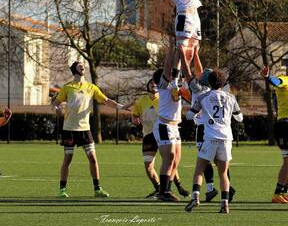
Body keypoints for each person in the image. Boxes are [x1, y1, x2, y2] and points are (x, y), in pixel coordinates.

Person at [53, 61, 124, 198]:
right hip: (69, 128)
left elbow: (106, 100)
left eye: (84, 66)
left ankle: (97, 189)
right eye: (80, 65)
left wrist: (121, 107)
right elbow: (56, 103)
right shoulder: (67, 87)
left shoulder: (91, 87)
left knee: (93, 158)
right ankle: (62, 190)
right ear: (74, 69)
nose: (83, 67)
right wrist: (56, 108)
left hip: (85, 129)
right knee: (68, 159)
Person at [182, 46, 236, 203]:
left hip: (204, 128)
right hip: (223, 131)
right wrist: (196, 53)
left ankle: (210, 188)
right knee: (221, 163)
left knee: (204, 160)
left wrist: (183, 54)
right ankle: (225, 188)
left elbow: (188, 73)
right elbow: (200, 72)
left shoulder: (198, 89)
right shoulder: (214, 90)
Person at [185, 69, 243, 213]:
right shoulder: (231, 97)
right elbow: (239, 118)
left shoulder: (202, 97)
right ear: (223, 83)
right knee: (223, 173)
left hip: (209, 137)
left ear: (208, 82)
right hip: (226, 139)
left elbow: (189, 116)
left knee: (199, 169)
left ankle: (195, 197)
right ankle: (224, 204)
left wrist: (200, 113)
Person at [151, 0, 202, 101]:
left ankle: (185, 82)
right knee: (180, 48)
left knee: (193, 50)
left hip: (195, 16)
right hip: (184, 15)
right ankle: (179, 81)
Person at [131, 78, 189, 199]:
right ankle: (159, 189)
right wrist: (135, 120)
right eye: (151, 83)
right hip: (149, 135)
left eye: (155, 82)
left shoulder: (164, 99)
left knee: (169, 160)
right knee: (148, 166)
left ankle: (176, 187)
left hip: (163, 133)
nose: (153, 84)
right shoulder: (141, 101)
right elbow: (134, 115)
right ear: (147, 86)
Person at [152, 37, 184, 201]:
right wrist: (171, 48)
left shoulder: (174, 83)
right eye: (168, 74)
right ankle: (162, 192)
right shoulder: (164, 85)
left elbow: (176, 65)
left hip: (174, 127)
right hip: (164, 125)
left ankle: (167, 190)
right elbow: (167, 66)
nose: (171, 74)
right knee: (169, 157)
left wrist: (181, 48)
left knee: (177, 158)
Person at [260, 66, 288, 203]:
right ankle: (278, 193)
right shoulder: (285, 80)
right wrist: (268, 77)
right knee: (287, 162)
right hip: (285, 126)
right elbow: (276, 81)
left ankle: (284, 192)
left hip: (283, 125)